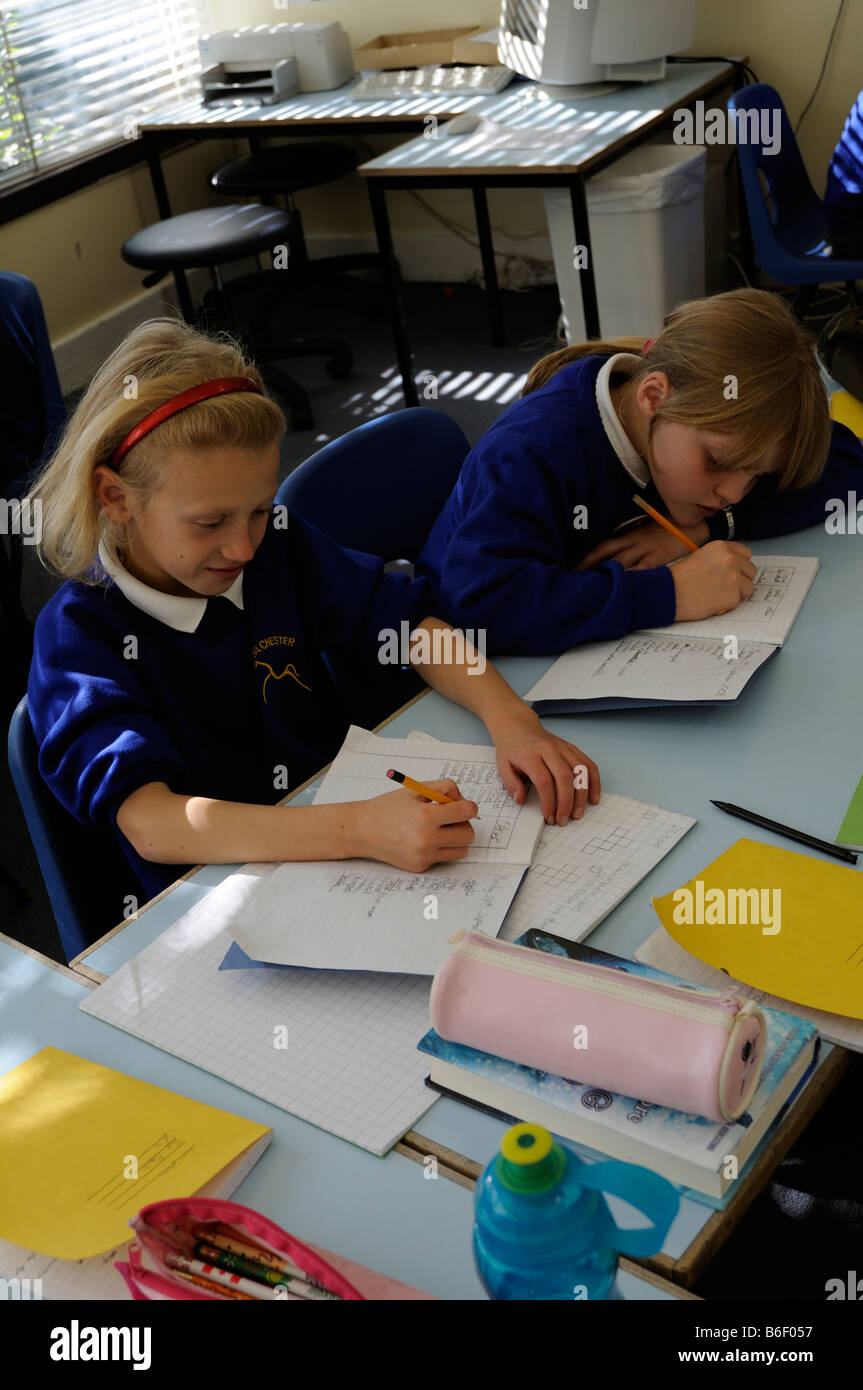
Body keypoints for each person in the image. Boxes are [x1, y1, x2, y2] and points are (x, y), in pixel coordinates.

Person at [26, 319, 600, 902]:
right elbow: (155, 824)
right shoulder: (79, 636)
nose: (244, 547)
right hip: (221, 896)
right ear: (116, 497)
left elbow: (410, 627)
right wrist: (359, 828)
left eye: (258, 509)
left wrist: (513, 722)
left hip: (344, 846)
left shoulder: (274, 544)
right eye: (209, 523)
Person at [416, 288, 863, 654]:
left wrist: (712, 525)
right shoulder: (533, 450)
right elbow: (478, 605)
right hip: (456, 667)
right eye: (717, 462)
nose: (734, 491)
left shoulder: (695, 427)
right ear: (654, 396)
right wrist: (669, 593)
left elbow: (849, 464)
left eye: (757, 476)